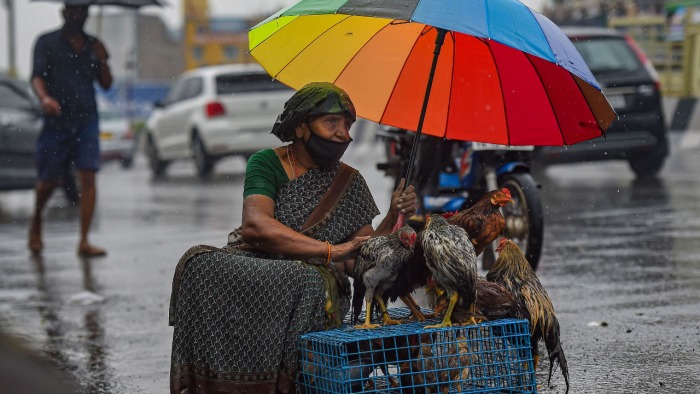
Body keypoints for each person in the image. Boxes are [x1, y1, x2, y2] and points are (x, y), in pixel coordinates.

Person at [169, 82, 417, 394]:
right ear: (300, 127)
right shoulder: (266, 162)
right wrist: (330, 250)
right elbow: (255, 226)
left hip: (309, 281)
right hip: (256, 266)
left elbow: (363, 262)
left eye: (348, 125)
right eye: (332, 122)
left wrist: (395, 215)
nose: (344, 134)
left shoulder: (350, 182)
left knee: (305, 280)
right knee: (198, 262)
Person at [28, 4, 113, 257]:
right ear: (64, 12)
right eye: (75, 10)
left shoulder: (94, 45)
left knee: (88, 175)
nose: (80, 16)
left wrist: (103, 60)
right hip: (57, 121)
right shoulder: (47, 42)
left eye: (84, 11)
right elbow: (37, 77)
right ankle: (36, 220)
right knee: (48, 182)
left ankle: (84, 240)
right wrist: (44, 98)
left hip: (87, 120)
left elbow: (107, 84)